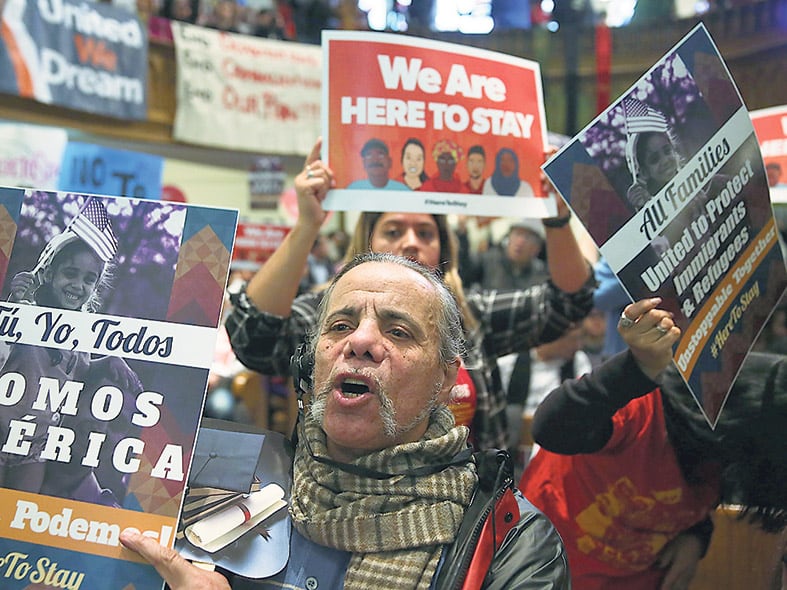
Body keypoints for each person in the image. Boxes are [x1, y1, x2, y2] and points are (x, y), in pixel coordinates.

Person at [121, 253, 571, 589]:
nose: (360, 341)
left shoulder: (512, 542)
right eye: (339, 326)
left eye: (398, 332)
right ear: (311, 361)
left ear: (445, 379)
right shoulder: (209, 487)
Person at [225, 138, 595, 453]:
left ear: (443, 249)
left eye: (425, 233)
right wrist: (308, 224)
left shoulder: (470, 317)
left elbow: (568, 303)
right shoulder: (327, 313)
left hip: (468, 514)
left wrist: (557, 221)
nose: (411, 243)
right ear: (367, 242)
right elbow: (253, 336)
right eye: (393, 231)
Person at [519, 297, 787, 590]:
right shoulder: (644, 409)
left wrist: (697, 535)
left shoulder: (726, 448)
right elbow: (551, 427)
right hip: (550, 569)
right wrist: (638, 367)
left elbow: (699, 500)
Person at [0, 211, 116, 493]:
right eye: (70, 273)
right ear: (50, 273)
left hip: (34, 449)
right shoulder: (26, 312)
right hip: (2, 434)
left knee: (17, 517)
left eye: (89, 279)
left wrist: (112, 361)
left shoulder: (83, 334)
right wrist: (14, 303)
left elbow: (81, 374)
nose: (78, 285)